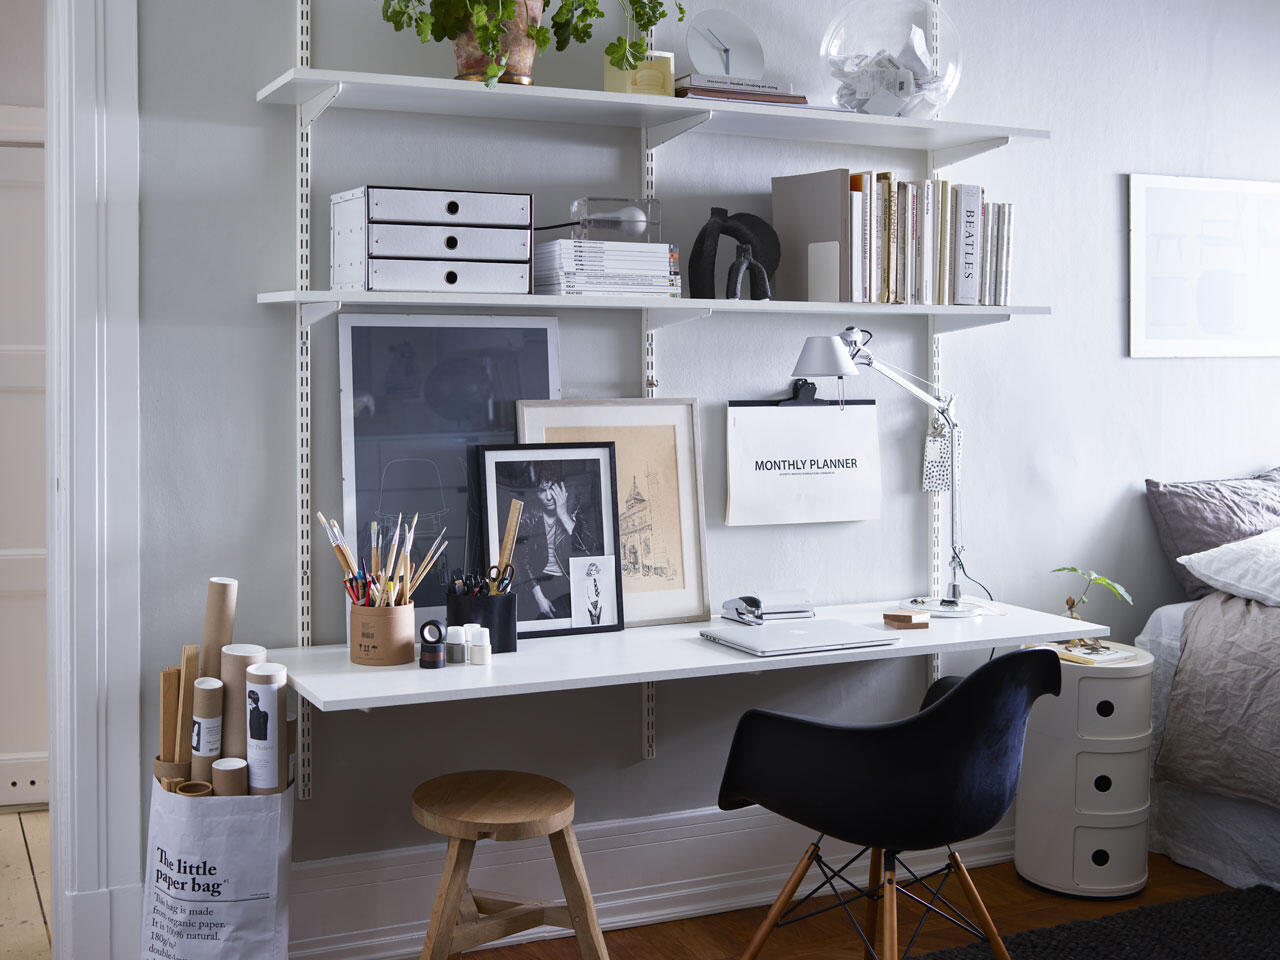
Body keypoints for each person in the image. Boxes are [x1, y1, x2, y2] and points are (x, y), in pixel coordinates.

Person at [513, 463, 600, 620]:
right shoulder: (529, 516)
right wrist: (539, 597)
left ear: (560, 487)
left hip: (570, 582)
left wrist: (563, 514)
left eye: (551, 488)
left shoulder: (574, 509)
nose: (548, 497)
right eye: (541, 491)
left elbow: (588, 552)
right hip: (540, 584)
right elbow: (522, 561)